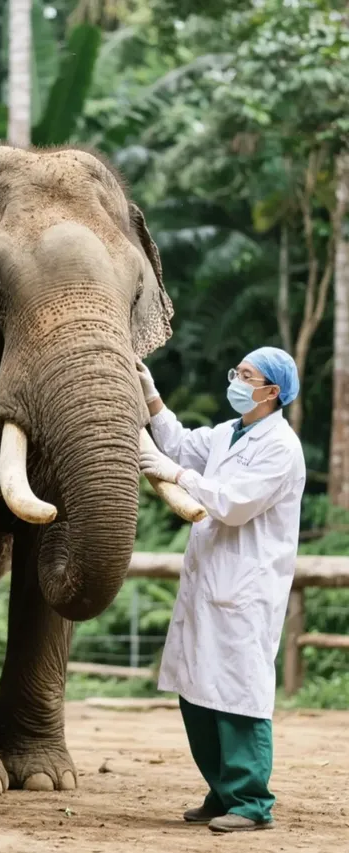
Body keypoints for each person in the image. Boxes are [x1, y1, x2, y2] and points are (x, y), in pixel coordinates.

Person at [136, 347, 305, 834]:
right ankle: (222, 790)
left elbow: (232, 504)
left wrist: (178, 476)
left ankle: (251, 800)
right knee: (196, 691)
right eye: (237, 372)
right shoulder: (228, 433)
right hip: (208, 583)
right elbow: (179, 443)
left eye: (246, 376)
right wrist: (151, 396)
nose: (236, 380)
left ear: (271, 391)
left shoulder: (281, 446)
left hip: (246, 589)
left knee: (237, 694)